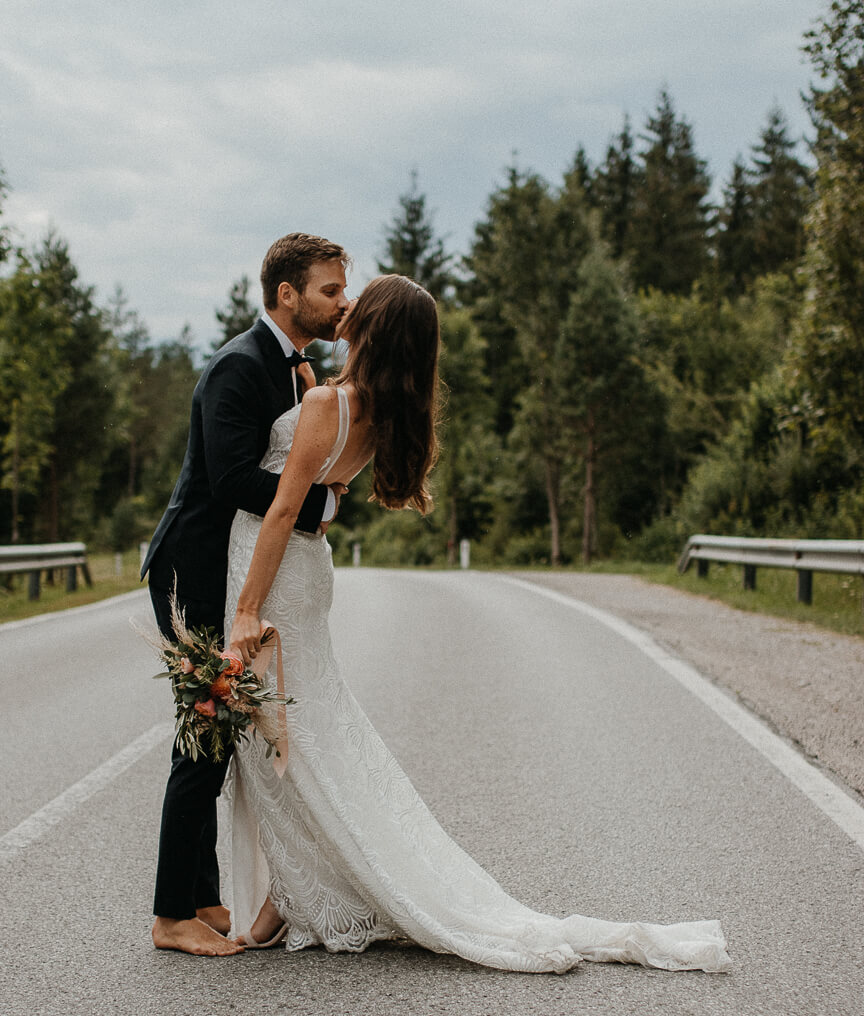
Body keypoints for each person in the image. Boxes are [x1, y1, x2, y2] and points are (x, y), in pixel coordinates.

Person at [219, 274, 731, 974]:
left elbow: (281, 509)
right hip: (311, 572)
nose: (345, 307)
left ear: (371, 328)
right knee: (304, 727)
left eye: (355, 303)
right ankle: (288, 892)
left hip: (274, 574)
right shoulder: (374, 413)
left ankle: (290, 892)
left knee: (280, 731)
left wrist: (246, 610)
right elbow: (325, 494)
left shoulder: (320, 403)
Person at [142, 233, 351, 956]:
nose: (341, 303)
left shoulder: (297, 369)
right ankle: (172, 915)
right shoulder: (239, 366)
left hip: (226, 566)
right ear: (286, 294)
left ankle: (203, 897)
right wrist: (320, 506)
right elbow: (232, 479)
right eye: (330, 290)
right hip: (192, 567)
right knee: (207, 727)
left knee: (220, 731)